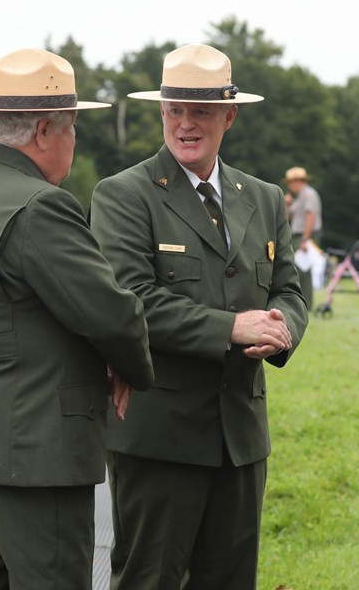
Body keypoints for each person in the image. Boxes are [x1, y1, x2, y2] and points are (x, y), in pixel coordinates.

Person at [0, 48, 155, 590]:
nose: (74, 142)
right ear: (47, 131)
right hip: (33, 443)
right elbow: (112, 313)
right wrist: (129, 366)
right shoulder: (38, 206)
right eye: (73, 127)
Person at [90, 43, 308, 590]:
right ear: (161, 112)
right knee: (149, 579)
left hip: (241, 439)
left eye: (201, 111)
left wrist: (282, 330)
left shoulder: (263, 198)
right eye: (174, 110)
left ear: (229, 116)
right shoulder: (123, 195)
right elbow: (130, 300)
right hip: (160, 438)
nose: (186, 124)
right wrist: (231, 327)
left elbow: (290, 291)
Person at [284, 166, 323, 309]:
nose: (289, 185)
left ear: (297, 181)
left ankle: (306, 305)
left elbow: (310, 216)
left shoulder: (309, 195)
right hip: (298, 236)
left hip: (305, 236)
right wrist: (287, 205)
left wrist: (306, 239)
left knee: (303, 270)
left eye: (290, 182)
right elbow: (289, 218)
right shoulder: (298, 197)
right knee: (298, 269)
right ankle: (302, 303)